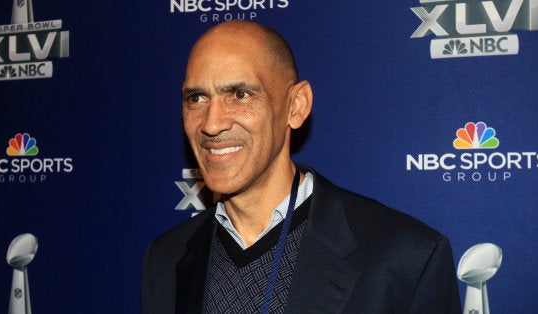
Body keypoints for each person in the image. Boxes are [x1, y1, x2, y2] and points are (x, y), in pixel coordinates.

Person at [142, 20, 461, 313]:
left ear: (296, 106)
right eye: (196, 98)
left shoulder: (406, 256)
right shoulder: (166, 257)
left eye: (240, 94)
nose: (212, 123)